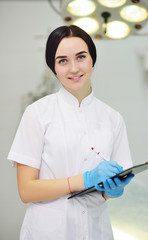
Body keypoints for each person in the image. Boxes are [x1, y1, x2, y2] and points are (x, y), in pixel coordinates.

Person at [8, 25, 134, 240]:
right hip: (48, 231)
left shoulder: (113, 118)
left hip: (97, 230)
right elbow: (26, 191)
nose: (74, 68)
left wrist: (112, 191)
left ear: (92, 59)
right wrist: (85, 179)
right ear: (54, 67)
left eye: (81, 57)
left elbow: (111, 188)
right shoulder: (37, 113)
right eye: (63, 60)